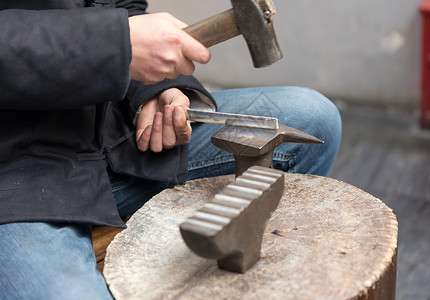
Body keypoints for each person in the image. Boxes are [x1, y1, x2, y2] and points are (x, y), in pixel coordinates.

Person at [0, 0, 341, 299]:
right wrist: (113, 46)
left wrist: (156, 88)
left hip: (112, 137)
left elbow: (121, 9)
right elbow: (116, 35)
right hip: (19, 176)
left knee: (313, 116)